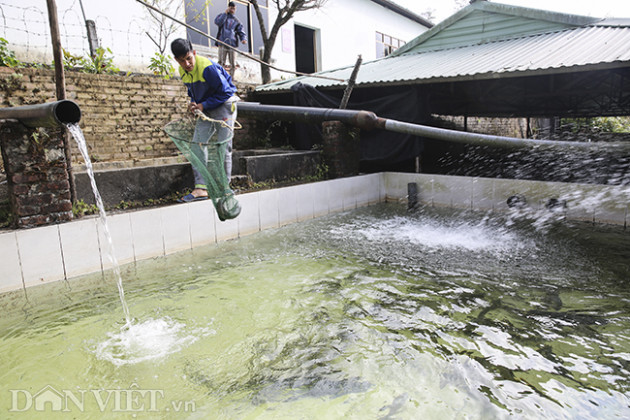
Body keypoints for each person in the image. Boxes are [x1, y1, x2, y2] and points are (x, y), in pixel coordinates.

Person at [170, 38, 239, 202]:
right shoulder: (183, 72)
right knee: (197, 145)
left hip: (224, 105)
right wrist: (194, 103)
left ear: (194, 53)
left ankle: (224, 188)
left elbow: (227, 92)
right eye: (182, 61)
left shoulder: (207, 68)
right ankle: (201, 188)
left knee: (223, 146)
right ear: (176, 60)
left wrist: (204, 104)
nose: (187, 64)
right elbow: (193, 91)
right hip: (205, 107)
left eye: (189, 58)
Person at [214, 1, 247, 79]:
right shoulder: (222, 16)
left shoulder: (236, 21)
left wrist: (243, 39)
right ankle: (220, 76)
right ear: (228, 7)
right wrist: (225, 13)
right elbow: (218, 22)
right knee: (221, 61)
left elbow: (241, 31)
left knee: (232, 62)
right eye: (231, 8)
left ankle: (232, 77)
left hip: (233, 44)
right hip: (222, 42)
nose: (232, 10)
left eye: (234, 9)